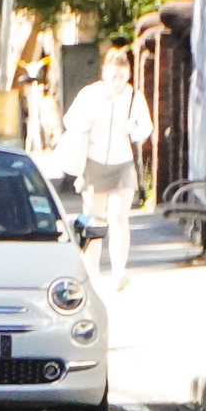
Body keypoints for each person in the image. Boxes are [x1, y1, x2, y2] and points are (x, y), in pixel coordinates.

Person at [56, 45, 153, 288]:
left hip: (122, 163)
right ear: (104, 73)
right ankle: (92, 270)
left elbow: (147, 127)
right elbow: (70, 120)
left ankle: (119, 271)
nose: (117, 82)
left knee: (119, 217)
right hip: (95, 162)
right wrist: (84, 124)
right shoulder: (91, 94)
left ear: (128, 74)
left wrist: (134, 130)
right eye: (113, 76)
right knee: (94, 220)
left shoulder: (133, 96)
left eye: (122, 77)